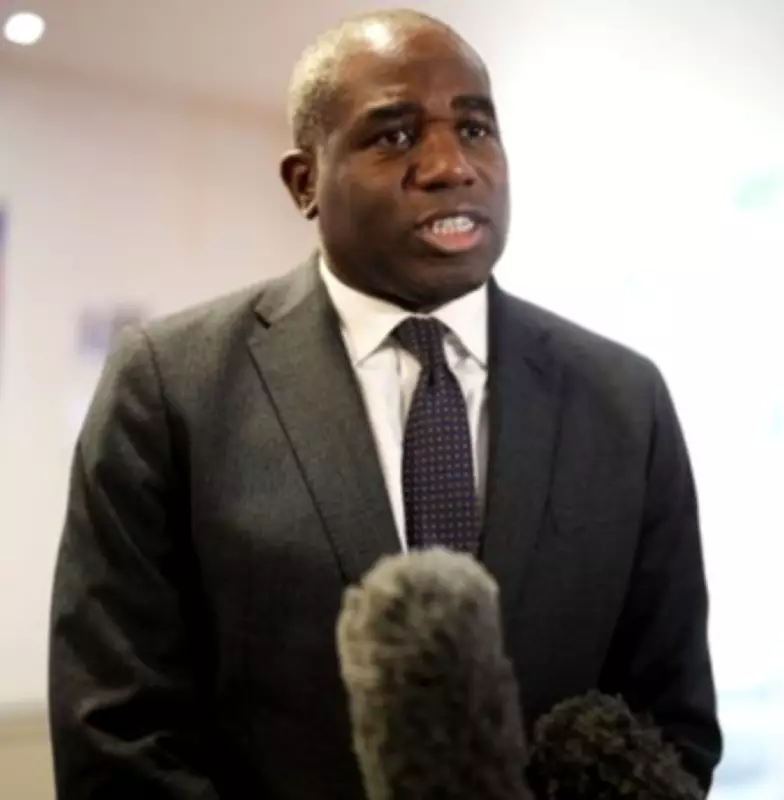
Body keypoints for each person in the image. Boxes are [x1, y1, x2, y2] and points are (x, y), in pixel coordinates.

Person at [48, 8, 722, 799]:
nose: (450, 165)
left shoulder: (625, 401)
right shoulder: (169, 386)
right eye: (395, 136)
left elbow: (671, 725)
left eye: (475, 128)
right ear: (305, 182)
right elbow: (117, 735)